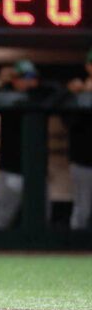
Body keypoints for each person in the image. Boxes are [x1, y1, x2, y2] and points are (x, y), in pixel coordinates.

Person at [0, 59, 41, 230]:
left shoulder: (41, 96)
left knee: (42, 218)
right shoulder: (5, 94)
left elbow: (58, 89)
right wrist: (2, 80)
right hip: (10, 169)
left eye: (31, 76)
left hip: (36, 172)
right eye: (22, 76)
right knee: (3, 219)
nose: (28, 81)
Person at [64, 48, 92, 230]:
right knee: (83, 208)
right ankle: (73, 249)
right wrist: (75, 94)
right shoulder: (77, 90)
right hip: (82, 159)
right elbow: (67, 121)